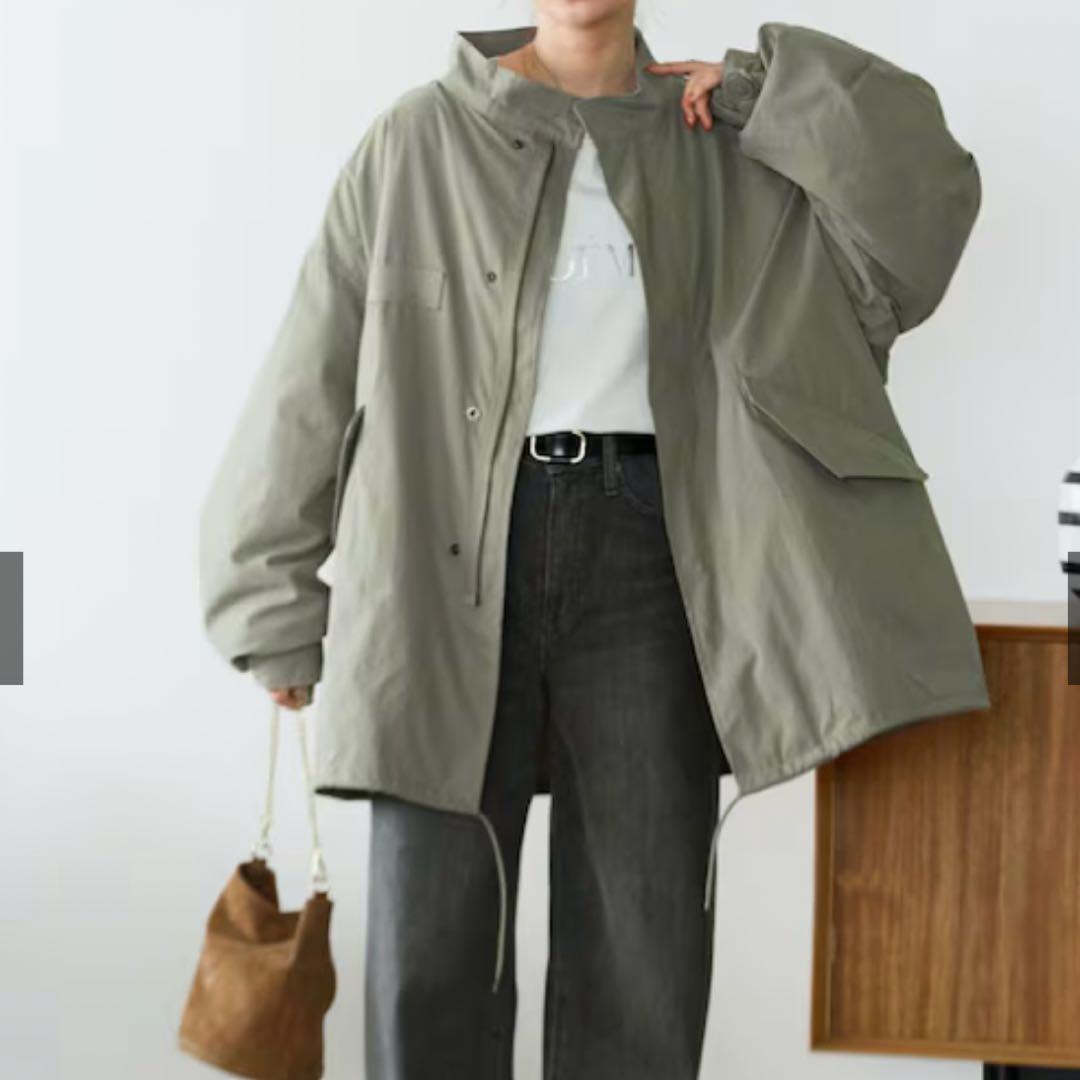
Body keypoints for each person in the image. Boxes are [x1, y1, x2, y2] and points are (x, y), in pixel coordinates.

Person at [198, 2, 989, 1076]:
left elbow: (927, 199)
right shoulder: (418, 140)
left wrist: (771, 89)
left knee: (644, 942)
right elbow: (314, 367)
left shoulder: (720, 139)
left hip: (654, 555)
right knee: (432, 939)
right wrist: (269, 596)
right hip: (443, 556)